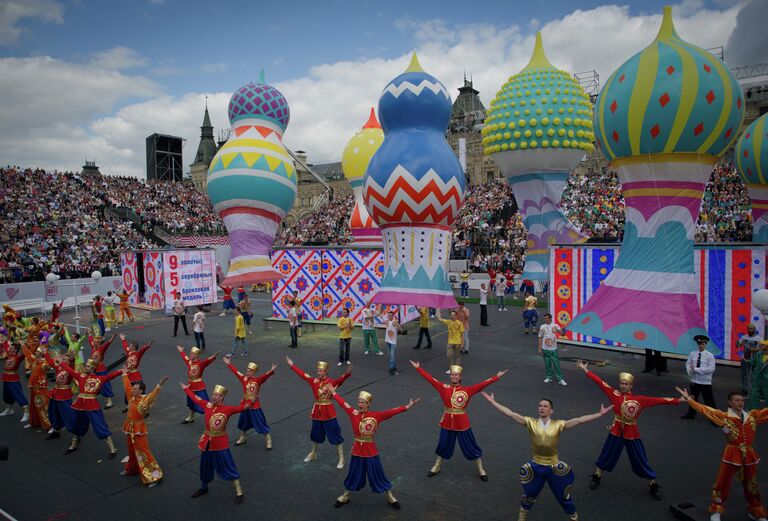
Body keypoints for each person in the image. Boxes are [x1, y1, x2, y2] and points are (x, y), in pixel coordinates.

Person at [481, 392, 612, 521]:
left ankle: (573, 517)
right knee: (529, 495)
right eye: (540, 406)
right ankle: (522, 516)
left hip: (553, 467)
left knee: (563, 496)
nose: (542, 408)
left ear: (551, 411)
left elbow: (579, 421)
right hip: (536, 467)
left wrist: (599, 414)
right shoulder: (530, 422)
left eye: (545, 406)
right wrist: (493, 402)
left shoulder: (558, 425)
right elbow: (509, 413)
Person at [576, 360, 683, 500]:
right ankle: (597, 475)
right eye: (622, 383)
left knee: (640, 457)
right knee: (607, 453)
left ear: (631, 385)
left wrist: (678, 400)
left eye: (626, 384)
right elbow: (601, 383)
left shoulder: (640, 399)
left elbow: (659, 400)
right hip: (616, 430)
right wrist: (586, 370)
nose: (623, 386)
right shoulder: (614, 394)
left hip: (631, 432)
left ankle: (653, 484)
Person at [676, 388, 768, 521]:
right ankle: (716, 509)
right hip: (731, 453)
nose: (740, 403)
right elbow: (705, 410)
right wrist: (690, 400)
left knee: (752, 484)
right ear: (730, 403)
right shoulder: (724, 417)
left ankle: (756, 510)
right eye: (737, 400)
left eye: (742, 400)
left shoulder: (753, 416)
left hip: (748, 454)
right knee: (722, 482)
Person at [410, 360, 507, 480]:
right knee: (443, 444)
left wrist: (496, 377)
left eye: (456, 375)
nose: (454, 376)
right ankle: (437, 466)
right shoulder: (443, 388)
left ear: (460, 377)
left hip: (462, 423)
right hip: (447, 422)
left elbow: (482, 384)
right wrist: (418, 368)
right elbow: (430, 379)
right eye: (452, 374)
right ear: (450, 376)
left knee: (471, 445)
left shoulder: (467, 390)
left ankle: (481, 469)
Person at [330, 386, 419, 510]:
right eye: (359, 402)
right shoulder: (353, 413)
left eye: (363, 402)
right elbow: (343, 404)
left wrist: (406, 407)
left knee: (378, 474)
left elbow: (390, 412)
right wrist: (334, 393)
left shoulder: (376, 415)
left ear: (368, 404)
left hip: (370, 451)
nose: (360, 404)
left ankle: (390, 496)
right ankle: (346, 495)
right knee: (353, 473)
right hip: (357, 451)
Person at [182, 383, 250, 504]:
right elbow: (195, 398)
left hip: (220, 443)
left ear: (221, 398)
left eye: (216, 395)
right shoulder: (207, 405)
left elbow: (242, 408)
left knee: (228, 465)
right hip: (207, 442)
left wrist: (250, 400)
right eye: (213, 394)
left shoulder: (227, 409)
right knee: (205, 465)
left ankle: (239, 491)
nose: (213, 396)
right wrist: (186, 389)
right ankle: (204, 487)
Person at [286, 356, 351, 469]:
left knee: (335, 433)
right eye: (317, 370)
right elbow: (303, 375)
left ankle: (341, 457)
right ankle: (313, 453)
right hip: (317, 412)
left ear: (325, 372)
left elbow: (341, 380)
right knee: (316, 433)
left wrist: (347, 374)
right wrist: (292, 365)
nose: (318, 372)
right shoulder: (314, 381)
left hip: (329, 412)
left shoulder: (331, 382)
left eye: (320, 371)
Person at [59, 357, 122, 457]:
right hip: (80, 405)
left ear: (92, 368)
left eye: (88, 366)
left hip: (92, 405)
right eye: (86, 366)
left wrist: (121, 370)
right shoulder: (81, 377)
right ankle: (74, 444)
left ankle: (112, 448)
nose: (85, 367)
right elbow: (70, 371)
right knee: (76, 424)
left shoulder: (99, 379)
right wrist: (61, 363)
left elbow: (110, 376)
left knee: (100, 425)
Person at [121, 370, 167, 487]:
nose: (133, 390)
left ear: (141, 391)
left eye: (135, 389)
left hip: (139, 430)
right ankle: (132, 469)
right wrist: (125, 374)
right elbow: (127, 387)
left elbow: (153, 396)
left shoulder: (144, 400)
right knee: (131, 450)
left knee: (144, 452)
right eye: (133, 388)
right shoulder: (131, 398)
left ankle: (155, 476)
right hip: (130, 428)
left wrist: (159, 385)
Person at [223, 356, 276, 450]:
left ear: (253, 372)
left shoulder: (257, 380)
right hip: (245, 404)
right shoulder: (244, 379)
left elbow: (265, 376)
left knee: (260, 422)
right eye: (247, 370)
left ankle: (268, 440)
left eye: (249, 371)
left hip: (254, 405)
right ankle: (243, 437)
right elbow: (236, 372)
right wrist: (228, 364)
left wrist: (271, 371)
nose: (247, 372)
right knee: (243, 421)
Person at [178, 346, 219, 424]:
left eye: (192, 354)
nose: (190, 355)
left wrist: (213, 357)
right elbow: (185, 358)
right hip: (190, 386)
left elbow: (207, 361)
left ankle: (212, 420)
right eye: (190, 354)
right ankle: (190, 417)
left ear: (197, 355)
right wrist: (181, 351)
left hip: (199, 387)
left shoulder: (200, 364)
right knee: (190, 403)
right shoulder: (190, 362)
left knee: (206, 404)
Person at [680, 334, 716, 420]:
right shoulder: (693, 354)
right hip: (694, 380)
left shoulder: (710, 355)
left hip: (705, 381)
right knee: (692, 399)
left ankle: (714, 416)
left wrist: (696, 369)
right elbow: (688, 363)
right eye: (699, 344)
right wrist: (689, 371)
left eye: (702, 344)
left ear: (705, 344)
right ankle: (691, 413)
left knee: (709, 400)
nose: (700, 345)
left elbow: (711, 369)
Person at [43, 349, 75, 439]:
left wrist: (72, 359)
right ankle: (56, 431)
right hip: (56, 393)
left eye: (65, 360)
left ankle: (75, 435)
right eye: (62, 359)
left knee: (68, 414)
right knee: (53, 412)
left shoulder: (71, 370)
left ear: (69, 362)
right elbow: (50, 361)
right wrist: (45, 352)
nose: (62, 361)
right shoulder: (59, 367)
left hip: (65, 395)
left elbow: (72, 364)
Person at [120, 334, 153, 407]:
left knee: (140, 392)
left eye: (130, 345)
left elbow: (142, 351)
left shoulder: (137, 354)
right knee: (128, 390)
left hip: (136, 376)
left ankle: (145, 407)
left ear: (133, 347)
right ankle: (129, 406)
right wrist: (123, 339)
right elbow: (125, 346)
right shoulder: (129, 353)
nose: (129, 346)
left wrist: (148, 345)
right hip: (129, 376)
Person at [22, 344, 50, 431]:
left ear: (41, 353)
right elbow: (28, 354)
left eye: (38, 351)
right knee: (33, 405)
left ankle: (49, 426)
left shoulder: (45, 362)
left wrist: (46, 356)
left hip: (41, 386)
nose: (36, 352)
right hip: (34, 386)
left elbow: (49, 366)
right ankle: (33, 422)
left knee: (41, 405)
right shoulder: (34, 360)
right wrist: (23, 345)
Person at [0, 343, 29, 422]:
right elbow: (4, 347)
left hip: (13, 378)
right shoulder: (8, 355)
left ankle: (26, 412)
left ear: (15, 350)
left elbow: (26, 353)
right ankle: (9, 409)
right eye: (10, 347)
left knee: (17, 394)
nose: (9, 349)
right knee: (7, 394)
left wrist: (24, 344)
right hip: (6, 377)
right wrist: (4, 341)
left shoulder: (18, 357)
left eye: (11, 348)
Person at [88, 333, 117, 409]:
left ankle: (109, 401)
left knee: (105, 384)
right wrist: (89, 334)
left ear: (99, 342)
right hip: (94, 369)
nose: (93, 343)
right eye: (94, 342)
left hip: (101, 369)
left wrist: (113, 336)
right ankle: (92, 398)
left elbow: (108, 343)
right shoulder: (94, 348)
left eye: (95, 342)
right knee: (94, 383)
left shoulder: (102, 348)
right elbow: (90, 340)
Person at [538, 314, 566, 386]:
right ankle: (549, 377)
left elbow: (562, 334)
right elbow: (540, 337)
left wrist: (563, 329)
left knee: (556, 364)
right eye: (545, 318)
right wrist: (540, 347)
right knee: (547, 364)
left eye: (547, 318)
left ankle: (560, 379)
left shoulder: (555, 326)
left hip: (553, 349)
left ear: (550, 319)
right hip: (545, 348)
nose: (546, 320)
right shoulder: (542, 326)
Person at [738, 323, 761, 396]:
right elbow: (739, 345)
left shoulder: (759, 339)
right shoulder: (744, 337)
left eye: (751, 329)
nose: (750, 330)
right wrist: (737, 343)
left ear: (754, 329)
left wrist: (752, 349)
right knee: (744, 375)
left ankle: (756, 391)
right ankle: (745, 390)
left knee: (755, 375)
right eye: (749, 329)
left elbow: (760, 349)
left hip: (755, 359)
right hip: (745, 358)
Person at [749, 340, 768, 410]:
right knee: (754, 397)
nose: (761, 346)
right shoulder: (758, 354)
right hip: (757, 379)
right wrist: (747, 361)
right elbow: (753, 363)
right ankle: (752, 412)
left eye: (763, 345)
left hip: (766, 381)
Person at [383, 309, 401, 375]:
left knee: (392, 355)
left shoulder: (394, 322)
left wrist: (397, 324)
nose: (390, 316)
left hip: (393, 342)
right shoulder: (387, 321)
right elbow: (379, 314)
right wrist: (381, 305)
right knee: (390, 355)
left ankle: (391, 368)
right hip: (387, 341)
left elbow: (401, 330)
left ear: (393, 316)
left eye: (391, 315)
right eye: (389, 315)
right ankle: (394, 366)